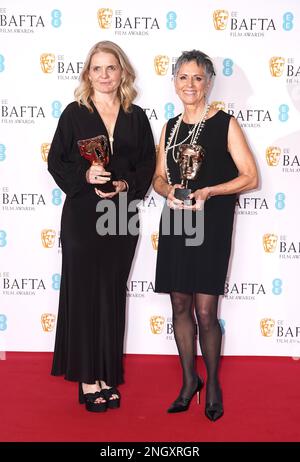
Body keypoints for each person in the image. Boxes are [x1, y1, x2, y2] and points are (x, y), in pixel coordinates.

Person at [48, 41, 155, 412]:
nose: (105, 75)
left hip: (121, 216)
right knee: (83, 295)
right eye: (98, 68)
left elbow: (147, 165)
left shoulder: (136, 116)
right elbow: (56, 161)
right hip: (82, 215)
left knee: (111, 293)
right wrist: (85, 173)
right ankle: (86, 378)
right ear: (87, 74)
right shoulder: (74, 114)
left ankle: (107, 374)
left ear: (122, 72)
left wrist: (125, 185)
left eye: (112, 68)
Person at [153, 50, 258, 421]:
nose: (190, 85)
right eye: (183, 77)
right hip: (177, 223)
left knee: (206, 311)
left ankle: (212, 383)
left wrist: (209, 191)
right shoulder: (169, 126)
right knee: (179, 305)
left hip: (211, 224)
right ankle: (188, 381)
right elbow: (157, 178)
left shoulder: (225, 123)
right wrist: (169, 192)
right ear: (174, 82)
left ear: (209, 82)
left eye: (198, 78)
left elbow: (250, 176)